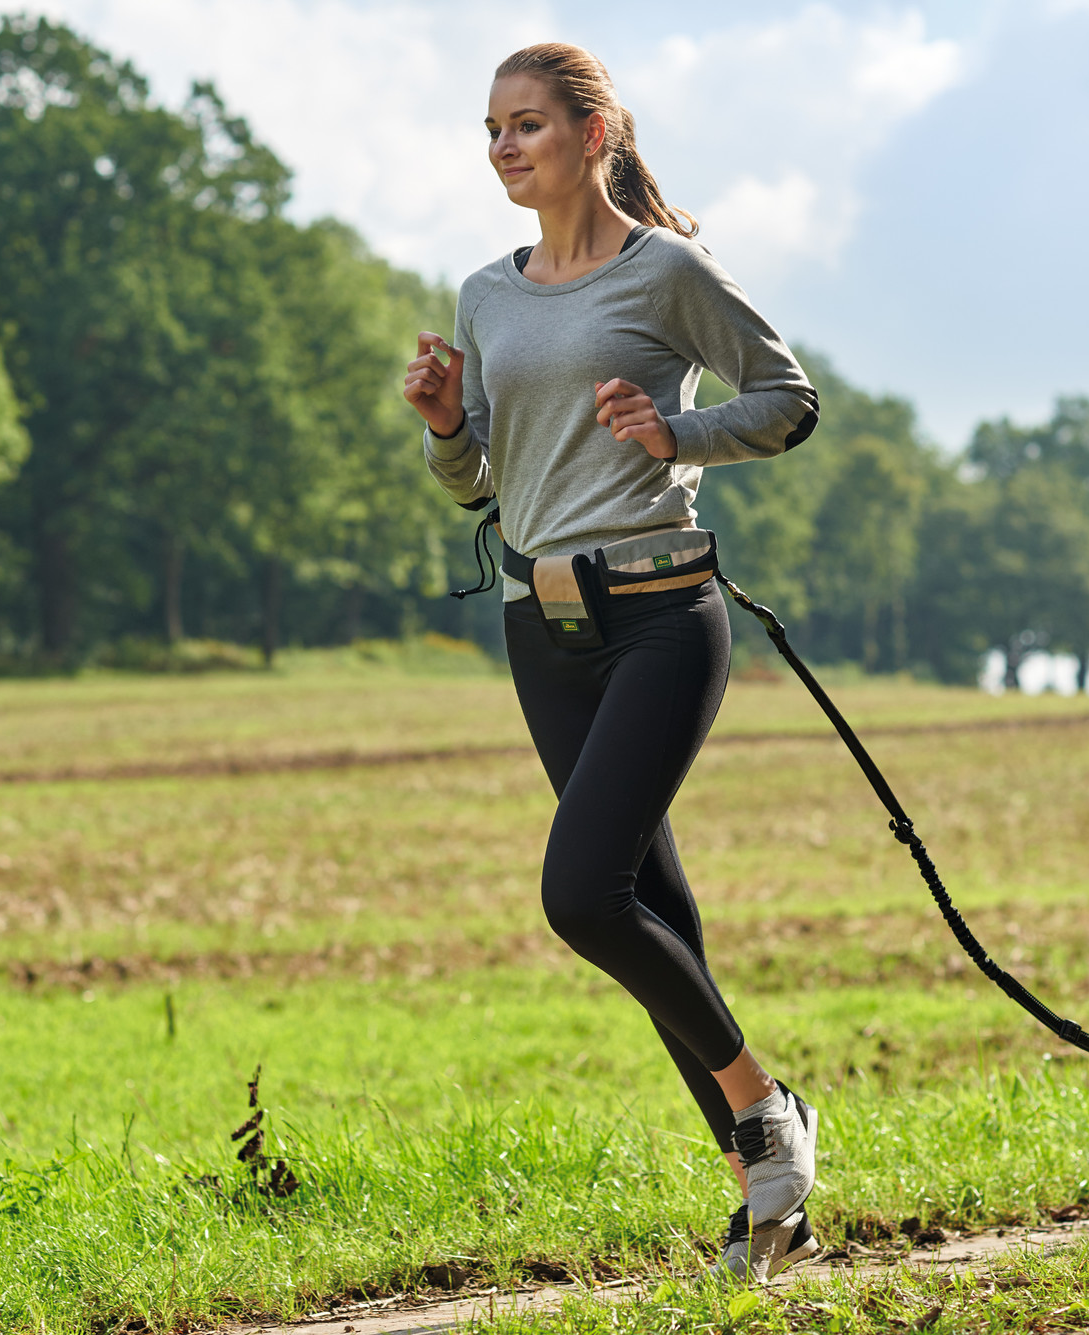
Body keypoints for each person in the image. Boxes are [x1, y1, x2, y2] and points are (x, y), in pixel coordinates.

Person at [401, 42, 821, 1283]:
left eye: (525, 124)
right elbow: (482, 476)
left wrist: (674, 428)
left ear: (593, 135)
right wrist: (440, 428)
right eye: (489, 129)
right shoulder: (485, 292)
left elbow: (786, 399)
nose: (502, 147)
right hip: (542, 629)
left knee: (582, 897)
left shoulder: (666, 270)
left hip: (657, 615)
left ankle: (766, 1112)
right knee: (658, 916)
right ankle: (772, 1210)